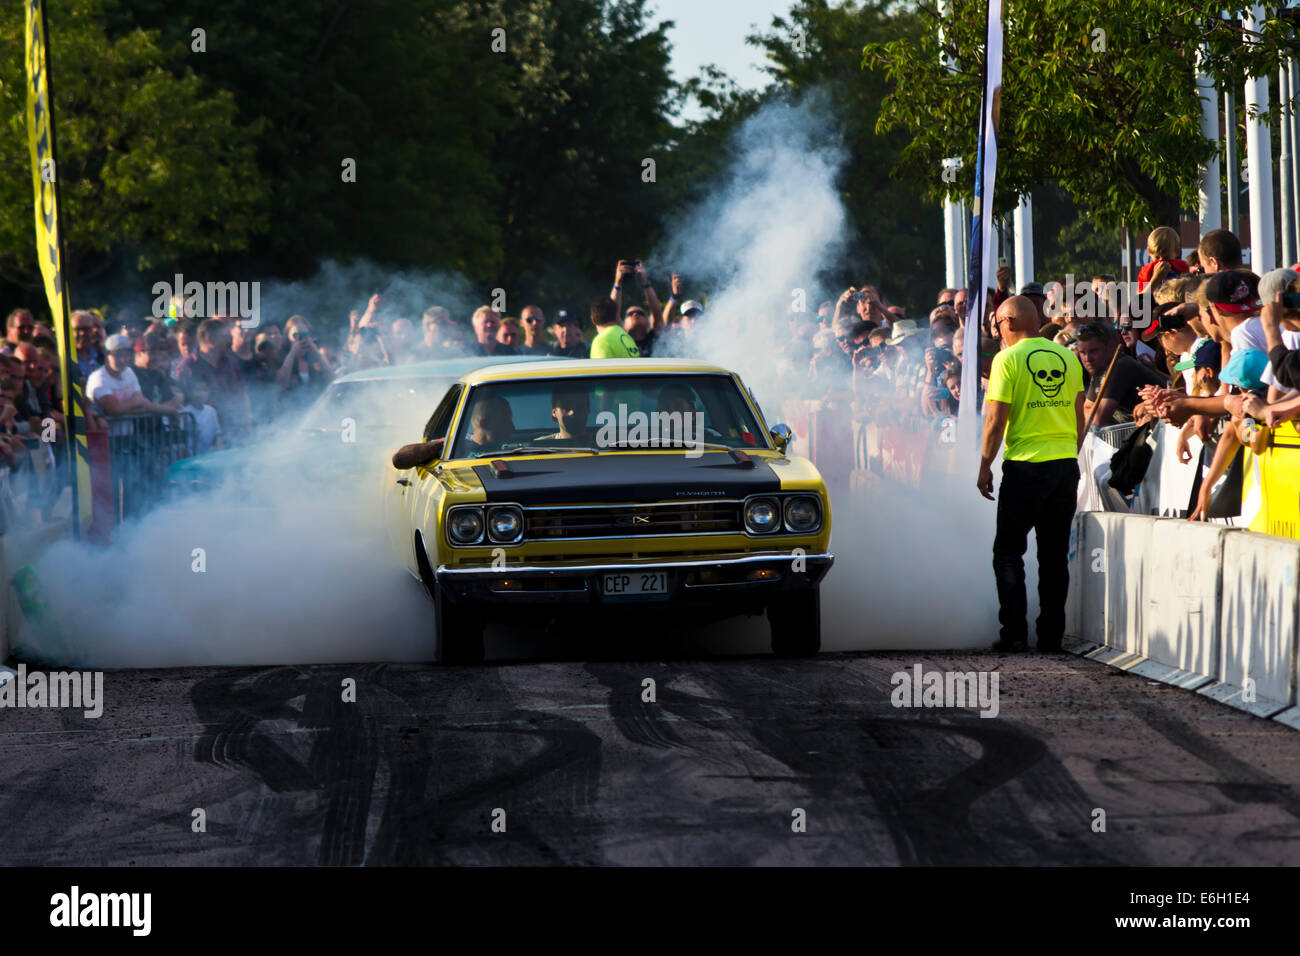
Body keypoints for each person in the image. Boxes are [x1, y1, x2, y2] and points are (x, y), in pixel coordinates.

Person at [978, 296, 1086, 654]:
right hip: (1064, 465)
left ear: (1008, 322)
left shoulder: (1006, 359)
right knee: (1053, 556)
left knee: (1008, 553)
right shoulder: (1067, 356)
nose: (997, 334)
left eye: (997, 326)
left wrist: (984, 465)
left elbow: (996, 418)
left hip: (1025, 464)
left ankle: (1014, 634)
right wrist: (1071, 449)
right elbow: (1078, 411)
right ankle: (1051, 637)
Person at [1076, 322, 1163, 425]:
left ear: (1111, 347)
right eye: (1082, 353)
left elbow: (1097, 420)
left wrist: (1087, 414)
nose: (1088, 359)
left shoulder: (1120, 366)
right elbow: (1086, 408)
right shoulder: (1099, 368)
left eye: (1093, 351)